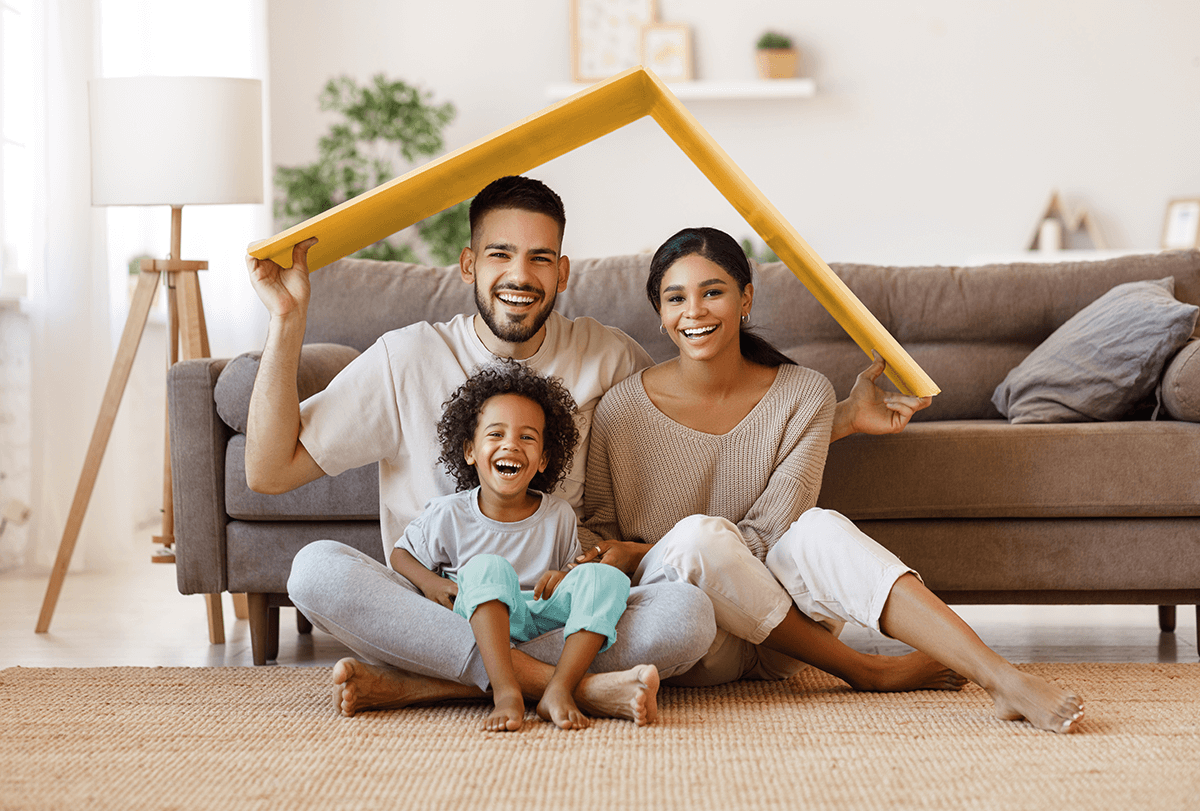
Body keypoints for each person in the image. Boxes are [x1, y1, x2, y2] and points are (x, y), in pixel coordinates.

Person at [244, 175, 930, 718]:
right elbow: (270, 469)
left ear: (564, 271)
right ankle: (571, 688)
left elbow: (705, 426)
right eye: (500, 254)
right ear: (467, 264)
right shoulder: (405, 358)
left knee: (686, 614)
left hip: (565, 614)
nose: (521, 273)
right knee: (316, 572)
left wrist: (833, 417)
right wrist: (288, 320)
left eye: (540, 257)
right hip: (436, 614)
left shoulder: (607, 356)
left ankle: (436, 685)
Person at [581, 226, 1085, 734]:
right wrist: (631, 558)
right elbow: (596, 534)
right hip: (694, 635)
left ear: (746, 298)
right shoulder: (622, 408)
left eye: (713, 292)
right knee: (697, 538)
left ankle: (1001, 677)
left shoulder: (803, 394)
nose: (695, 311)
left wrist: (642, 551)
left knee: (816, 527)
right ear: (660, 312)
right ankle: (866, 669)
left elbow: (773, 534)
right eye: (676, 298)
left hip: (785, 642)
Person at [393, 360, 654, 731]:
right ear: (470, 450)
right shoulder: (449, 514)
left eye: (527, 437)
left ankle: (559, 688)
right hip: (482, 619)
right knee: (488, 567)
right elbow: (400, 554)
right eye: (496, 434)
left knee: (606, 578)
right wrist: (430, 583)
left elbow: (572, 580)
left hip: (542, 621)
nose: (511, 445)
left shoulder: (559, 515)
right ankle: (506, 690)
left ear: (544, 459)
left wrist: (565, 576)